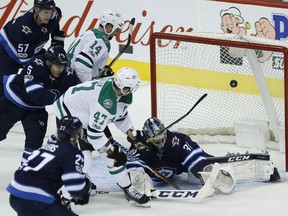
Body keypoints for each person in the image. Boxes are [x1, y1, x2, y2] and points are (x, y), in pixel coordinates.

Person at [52, 67, 150, 206]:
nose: (131, 91)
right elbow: (94, 134)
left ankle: (128, 189)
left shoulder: (120, 93)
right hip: (70, 114)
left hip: (88, 115)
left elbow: (119, 115)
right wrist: (112, 151)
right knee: (85, 159)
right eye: (129, 87)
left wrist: (131, 133)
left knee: (112, 159)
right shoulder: (104, 101)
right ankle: (64, 196)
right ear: (121, 86)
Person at [125, 117, 280, 194]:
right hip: (158, 169)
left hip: (179, 164)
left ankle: (264, 169)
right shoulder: (142, 145)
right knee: (136, 170)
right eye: (155, 139)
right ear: (148, 137)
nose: (160, 141)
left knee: (204, 166)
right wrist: (136, 178)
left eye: (162, 136)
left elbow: (195, 160)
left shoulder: (176, 141)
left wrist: (205, 170)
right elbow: (129, 164)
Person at [0, 46, 78, 163]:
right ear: (48, 62)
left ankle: (26, 172)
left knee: (35, 142)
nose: (61, 69)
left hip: (36, 110)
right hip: (14, 101)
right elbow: (37, 96)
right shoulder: (34, 66)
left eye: (63, 66)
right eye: (58, 66)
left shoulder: (67, 73)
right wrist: (58, 93)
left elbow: (77, 91)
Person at [7, 116, 91, 216]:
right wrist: (85, 188)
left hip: (15, 196)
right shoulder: (72, 152)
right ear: (77, 135)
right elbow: (75, 187)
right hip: (35, 199)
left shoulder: (45, 147)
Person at [0, 0, 65, 97]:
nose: (49, 15)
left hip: (31, 49)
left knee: (51, 64)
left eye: (51, 11)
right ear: (37, 10)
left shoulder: (55, 14)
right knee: (5, 84)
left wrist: (56, 51)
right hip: (6, 52)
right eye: (46, 12)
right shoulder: (25, 27)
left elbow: (56, 32)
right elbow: (25, 60)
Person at [66, 9, 124, 82]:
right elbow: (82, 64)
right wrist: (90, 85)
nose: (116, 33)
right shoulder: (101, 41)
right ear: (109, 27)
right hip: (73, 82)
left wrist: (99, 70)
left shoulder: (90, 33)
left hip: (67, 75)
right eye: (117, 30)